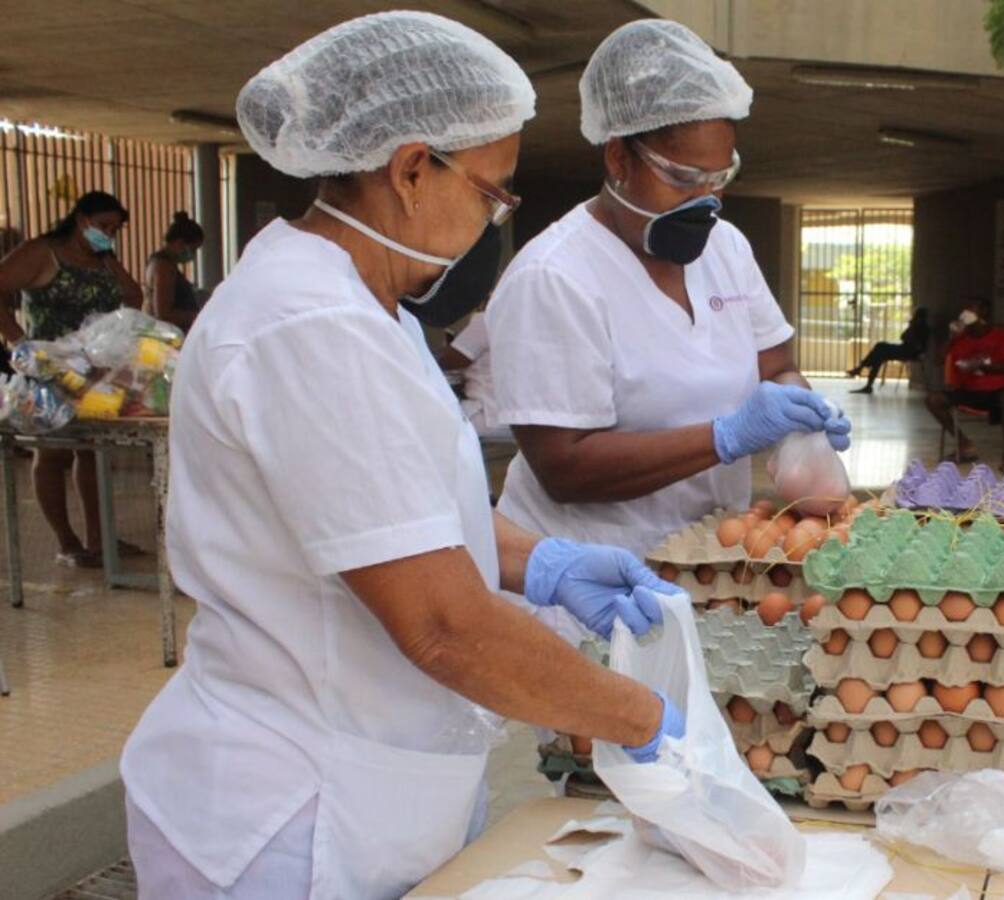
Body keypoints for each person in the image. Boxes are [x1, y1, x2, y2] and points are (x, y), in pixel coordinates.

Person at [120, 14, 685, 899]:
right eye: (494, 193)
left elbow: (394, 511)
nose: (495, 218)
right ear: (413, 168)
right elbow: (441, 623)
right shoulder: (310, 327)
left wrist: (541, 562)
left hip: (375, 784)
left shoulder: (366, 305)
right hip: (290, 811)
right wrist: (642, 719)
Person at [487, 20, 850, 640]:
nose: (704, 200)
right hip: (596, 585)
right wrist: (727, 436)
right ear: (618, 156)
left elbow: (775, 363)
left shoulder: (726, 248)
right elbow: (564, 468)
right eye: (683, 179)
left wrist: (799, 425)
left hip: (708, 567)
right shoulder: (555, 277)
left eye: (719, 179)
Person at [0, 191, 143, 566]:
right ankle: (67, 542)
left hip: (93, 371)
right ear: (80, 219)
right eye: (103, 226)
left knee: (93, 452)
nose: (109, 233)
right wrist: (18, 339)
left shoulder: (101, 259)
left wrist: (108, 256)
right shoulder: (42, 252)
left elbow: (132, 295)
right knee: (52, 453)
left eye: (115, 229)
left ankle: (100, 539)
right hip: (49, 367)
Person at [925, 298, 1004, 469]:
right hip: (969, 389)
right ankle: (964, 444)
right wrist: (951, 338)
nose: (966, 312)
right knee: (933, 400)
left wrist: (983, 365)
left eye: (972, 309)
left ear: (984, 313)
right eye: (965, 308)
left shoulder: (1001, 335)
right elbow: (938, 360)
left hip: (997, 390)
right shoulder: (961, 338)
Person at [437, 312, 509, 441]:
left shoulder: (490, 318)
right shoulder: (534, 323)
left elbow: (451, 360)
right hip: (521, 420)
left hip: (486, 415)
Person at [847, 306, 930, 394]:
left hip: (908, 353)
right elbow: (902, 337)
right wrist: (911, 328)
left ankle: (861, 371)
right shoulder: (914, 327)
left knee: (880, 348)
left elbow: (918, 345)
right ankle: (865, 380)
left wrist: (912, 330)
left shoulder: (924, 329)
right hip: (903, 349)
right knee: (878, 355)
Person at [145, 210, 204, 331]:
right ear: (180, 243)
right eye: (193, 249)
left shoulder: (167, 265)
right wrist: (200, 316)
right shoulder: (162, 266)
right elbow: (163, 313)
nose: (193, 255)